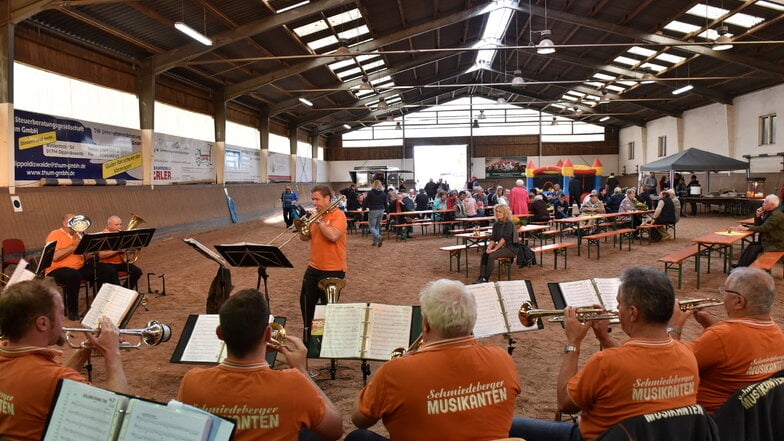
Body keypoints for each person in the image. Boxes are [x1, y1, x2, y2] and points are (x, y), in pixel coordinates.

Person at [509, 266, 699, 441]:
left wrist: (573, 342)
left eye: (619, 304)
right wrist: (605, 339)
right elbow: (638, 365)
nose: (616, 310)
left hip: (598, 437)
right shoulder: (687, 355)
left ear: (633, 313)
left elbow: (565, 403)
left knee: (513, 426)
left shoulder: (606, 362)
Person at [347, 279, 521, 441]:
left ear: (426, 324)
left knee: (358, 437)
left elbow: (359, 419)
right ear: (472, 320)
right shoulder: (502, 359)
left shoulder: (396, 372)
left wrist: (387, 376)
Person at [178, 289, 343, 441]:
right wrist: (302, 371)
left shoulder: (191, 382)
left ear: (220, 334)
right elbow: (335, 430)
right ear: (268, 334)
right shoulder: (294, 384)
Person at [0, 279, 128, 440]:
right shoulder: (51, 377)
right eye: (61, 314)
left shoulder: (11, 356)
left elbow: (55, 387)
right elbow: (116, 417)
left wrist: (85, 349)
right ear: (43, 323)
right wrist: (112, 353)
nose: (63, 321)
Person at [668, 267, 784, 413]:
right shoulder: (777, 333)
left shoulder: (721, 336)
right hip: (749, 419)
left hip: (712, 421)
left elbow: (673, 364)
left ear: (739, 302)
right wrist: (708, 324)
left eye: (725, 292)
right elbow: (735, 348)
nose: (723, 297)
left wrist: (673, 327)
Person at [45, 213, 118, 320]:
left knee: (103, 269)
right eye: (73, 222)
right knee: (74, 275)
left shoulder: (77, 235)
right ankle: (73, 311)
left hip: (78, 267)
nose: (77, 225)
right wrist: (74, 246)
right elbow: (55, 256)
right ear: (65, 223)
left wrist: (89, 252)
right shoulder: (55, 234)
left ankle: (99, 304)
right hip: (57, 269)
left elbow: (84, 256)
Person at [299, 185, 347, 341]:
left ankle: (326, 341)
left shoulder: (338, 216)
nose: (314, 203)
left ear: (327, 199)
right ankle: (309, 338)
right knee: (306, 304)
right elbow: (305, 238)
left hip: (333, 270)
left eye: (317, 199)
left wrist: (319, 221)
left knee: (328, 309)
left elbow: (333, 236)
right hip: (313, 267)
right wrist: (304, 227)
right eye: (313, 199)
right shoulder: (316, 216)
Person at [475, 205, 518, 284]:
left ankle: (485, 279)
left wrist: (494, 249)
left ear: (505, 213)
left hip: (511, 247)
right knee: (485, 254)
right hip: (502, 247)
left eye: (500, 211)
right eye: (496, 211)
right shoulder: (496, 224)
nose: (498, 213)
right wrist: (488, 248)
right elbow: (493, 238)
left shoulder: (509, 224)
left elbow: (504, 239)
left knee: (491, 256)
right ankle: (481, 277)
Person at [98, 215, 143, 290]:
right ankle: (120, 292)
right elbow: (101, 255)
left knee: (137, 272)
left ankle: (125, 290)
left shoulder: (120, 235)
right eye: (116, 225)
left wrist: (132, 248)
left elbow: (127, 253)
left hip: (120, 262)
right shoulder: (102, 235)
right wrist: (118, 250)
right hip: (106, 264)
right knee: (113, 274)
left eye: (120, 224)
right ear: (109, 225)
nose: (119, 227)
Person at [362, 180, 387, 248]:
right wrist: (388, 212)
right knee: (377, 226)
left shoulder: (370, 193)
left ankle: (379, 237)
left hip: (373, 210)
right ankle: (375, 242)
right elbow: (386, 203)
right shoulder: (383, 193)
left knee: (371, 227)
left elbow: (366, 202)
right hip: (381, 210)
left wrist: (363, 209)